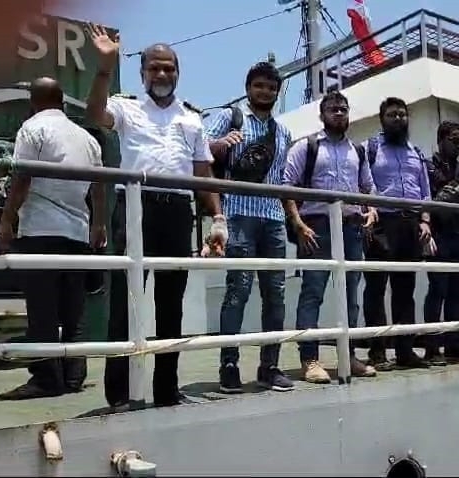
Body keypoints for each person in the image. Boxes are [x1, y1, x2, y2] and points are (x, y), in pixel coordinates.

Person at [86, 25, 227, 410]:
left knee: (171, 306)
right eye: (155, 68)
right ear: (142, 72)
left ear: (178, 72)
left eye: (169, 69)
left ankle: (166, 391)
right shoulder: (127, 107)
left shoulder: (192, 118)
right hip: (135, 207)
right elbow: (95, 113)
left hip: (178, 212)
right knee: (125, 305)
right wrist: (103, 67)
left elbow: (202, 173)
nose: (162, 75)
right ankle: (118, 394)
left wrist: (217, 218)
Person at [0, 77, 106, 400]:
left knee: (42, 311)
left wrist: (7, 218)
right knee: (74, 309)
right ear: (63, 102)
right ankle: (74, 375)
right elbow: (99, 186)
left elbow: (22, 176)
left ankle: (46, 379)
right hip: (77, 232)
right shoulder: (87, 138)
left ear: (33, 101)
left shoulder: (32, 128)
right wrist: (98, 225)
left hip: (41, 230)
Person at [205, 62, 294, 393]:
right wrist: (223, 143)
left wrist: (292, 218)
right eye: (259, 86)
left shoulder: (283, 132)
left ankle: (269, 366)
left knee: (276, 295)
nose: (265, 92)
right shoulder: (230, 117)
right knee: (238, 290)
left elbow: (283, 179)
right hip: (238, 214)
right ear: (248, 87)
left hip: (273, 218)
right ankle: (228, 365)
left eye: (271, 87)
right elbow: (199, 152)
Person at [283, 91, 377, 383]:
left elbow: (368, 187)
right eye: (333, 109)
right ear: (321, 115)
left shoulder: (357, 151)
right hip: (315, 227)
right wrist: (298, 224)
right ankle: (309, 359)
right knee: (313, 292)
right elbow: (287, 185)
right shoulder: (306, 147)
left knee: (350, 295)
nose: (339, 114)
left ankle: (348, 355)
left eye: (343, 109)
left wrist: (372, 211)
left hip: (350, 228)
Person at [362, 97, 433, 371]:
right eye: (392, 115)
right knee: (376, 288)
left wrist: (425, 220)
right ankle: (377, 351)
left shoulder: (416, 151)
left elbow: (425, 190)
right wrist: (369, 213)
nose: (398, 119)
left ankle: (405, 351)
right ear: (382, 119)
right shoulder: (370, 148)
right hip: (381, 222)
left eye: (402, 115)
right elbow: (363, 184)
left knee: (406, 289)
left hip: (411, 223)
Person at [423, 120, 459, 364]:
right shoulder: (427, 166)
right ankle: (433, 348)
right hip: (438, 239)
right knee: (438, 292)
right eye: (454, 141)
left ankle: (458, 345)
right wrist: (440, 201)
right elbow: (422, 199)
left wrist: (456, 201)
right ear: (441, 139)